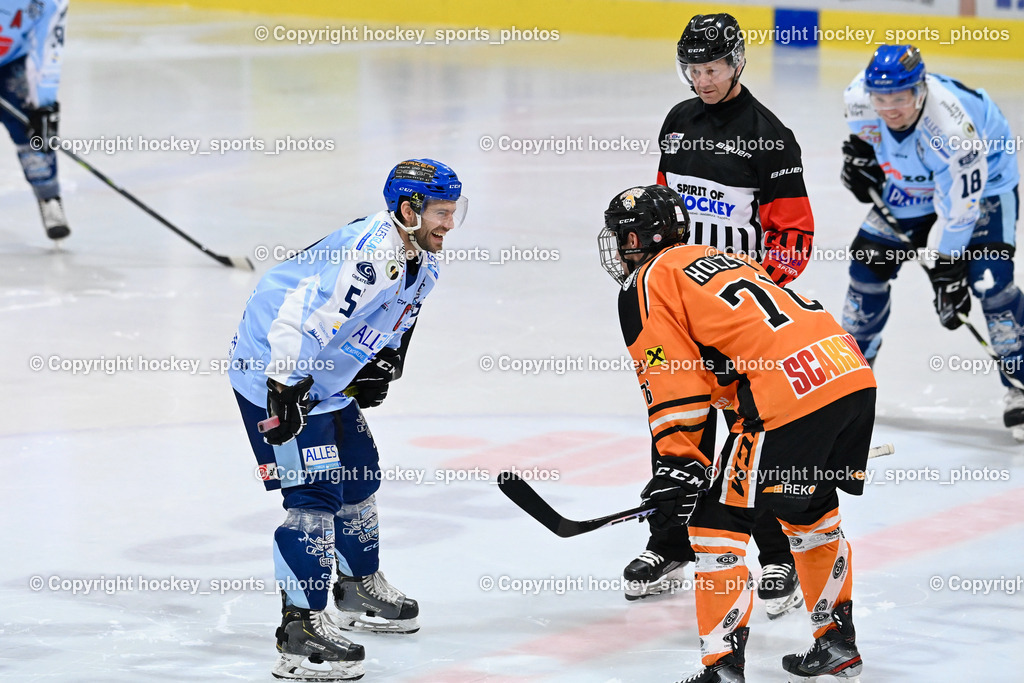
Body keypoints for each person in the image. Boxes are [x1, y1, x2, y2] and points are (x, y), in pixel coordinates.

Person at [599, 184, 875, 681]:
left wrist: (678, 461)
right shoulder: (723, 256)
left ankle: (723, 667)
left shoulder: (646, 280)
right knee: (807, 511)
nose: (621, 250)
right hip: (846, 372)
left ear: (643, 239)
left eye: (625, 238)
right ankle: (835, 642)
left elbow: (671, 375)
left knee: (714, 525)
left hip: (787, 394)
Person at [228, 159, 466, 681]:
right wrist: (284, 390)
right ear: (408, 210)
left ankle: (357, 588)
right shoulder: (371, 256)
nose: (449, 224)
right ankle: (300, 630)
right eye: (441, 213)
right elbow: (297, 317)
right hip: (274, 370)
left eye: (455, 212)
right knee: (313, 497)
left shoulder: (421, 259)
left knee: (360, 471)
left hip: (322, 379)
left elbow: (398, 318)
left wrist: (382, 362)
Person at [625, 12, 814, 615]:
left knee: (750, 436)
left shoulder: (770, 137)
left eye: (712, 68)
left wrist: (756, 296)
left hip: (736, 315)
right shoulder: (678, 122)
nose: (702, 80)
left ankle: (777, 556)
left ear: (736, 64)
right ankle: (671, 543)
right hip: (679, 307)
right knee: (674, 419)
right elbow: (661, 210)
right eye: (693, 69)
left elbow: (794, 235)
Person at [840, 44, 1024, 439]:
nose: (890, 108)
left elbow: (961, 211)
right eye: (882, 98)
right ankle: (847, 379)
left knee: (989, 281)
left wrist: (949, 271)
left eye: (901, 97)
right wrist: (861, 160)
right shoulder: (858, 99)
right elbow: (866, 141)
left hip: (987, 181)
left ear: (920, 90)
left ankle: (1020, 387)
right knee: (867, 266)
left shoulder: (955, 135)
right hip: (914, 182)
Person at [0, 0, 69, 239]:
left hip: (12, 59)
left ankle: (48, 194)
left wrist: (44, 104)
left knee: (32, 131)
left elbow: (48, 45)